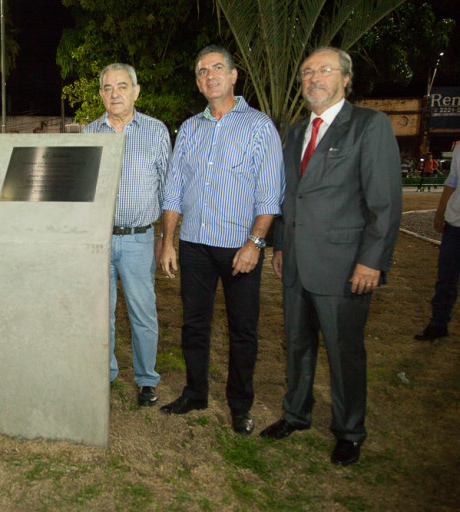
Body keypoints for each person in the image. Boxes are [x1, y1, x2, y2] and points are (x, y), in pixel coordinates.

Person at [260, 47, 402, 467]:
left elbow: (385, 203)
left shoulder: (369, 126)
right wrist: (281, 246)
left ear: (346, 79)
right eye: (307, 72)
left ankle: (349, 430)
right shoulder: (295, 130)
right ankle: (296, 414)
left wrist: (372, 261)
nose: (313, 78)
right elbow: (291, 196)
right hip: (297, 264)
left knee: (344, 352)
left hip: (344, 267)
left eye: (324, 70)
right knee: (297, 345)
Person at [159, 46, 284, 434]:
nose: (208, 75)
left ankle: (239, 404)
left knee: (242, 329)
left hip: (240, 248)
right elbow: (174, 190)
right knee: (194, 325)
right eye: (201, 71)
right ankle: (195, 393)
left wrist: (255, 244)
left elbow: (270, 194)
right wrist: (168, 242)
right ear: (197, 82)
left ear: (233, 76)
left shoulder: (259, 126)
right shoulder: (190, 128)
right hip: (194, 244)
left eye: (217, 68)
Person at [82, 63, 170, 406]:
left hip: (139, 239)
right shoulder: (90, 134)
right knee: (100, 312)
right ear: (101, 94)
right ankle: (104, 373)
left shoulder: (156, 131)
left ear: (136, 91)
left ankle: (147, 379)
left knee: (142, 313)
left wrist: (166, 238)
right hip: (98, 240)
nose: (114, 93)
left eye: (122, 86)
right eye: (107, 87)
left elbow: (167, 190)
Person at [415, 140, 460, 341]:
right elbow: (452, 181)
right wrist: (440, 214)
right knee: (445, 278)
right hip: (455, 224)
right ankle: (438, 324)